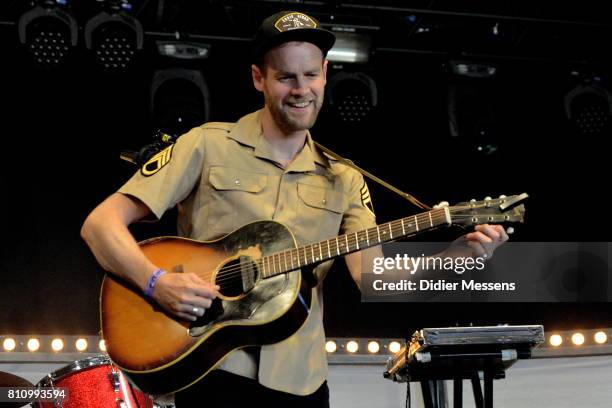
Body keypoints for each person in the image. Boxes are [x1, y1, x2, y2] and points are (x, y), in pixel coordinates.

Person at [81, 10, 508, 407]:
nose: (300, 89)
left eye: (310, 75)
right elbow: (100, 225)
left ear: (325, 74)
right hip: (211, 367)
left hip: (300, 380)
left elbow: (375, 281)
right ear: (258, 78)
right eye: (286, 77)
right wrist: (157, 284)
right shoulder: (206, 144)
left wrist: (461, 256)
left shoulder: (345, 177)